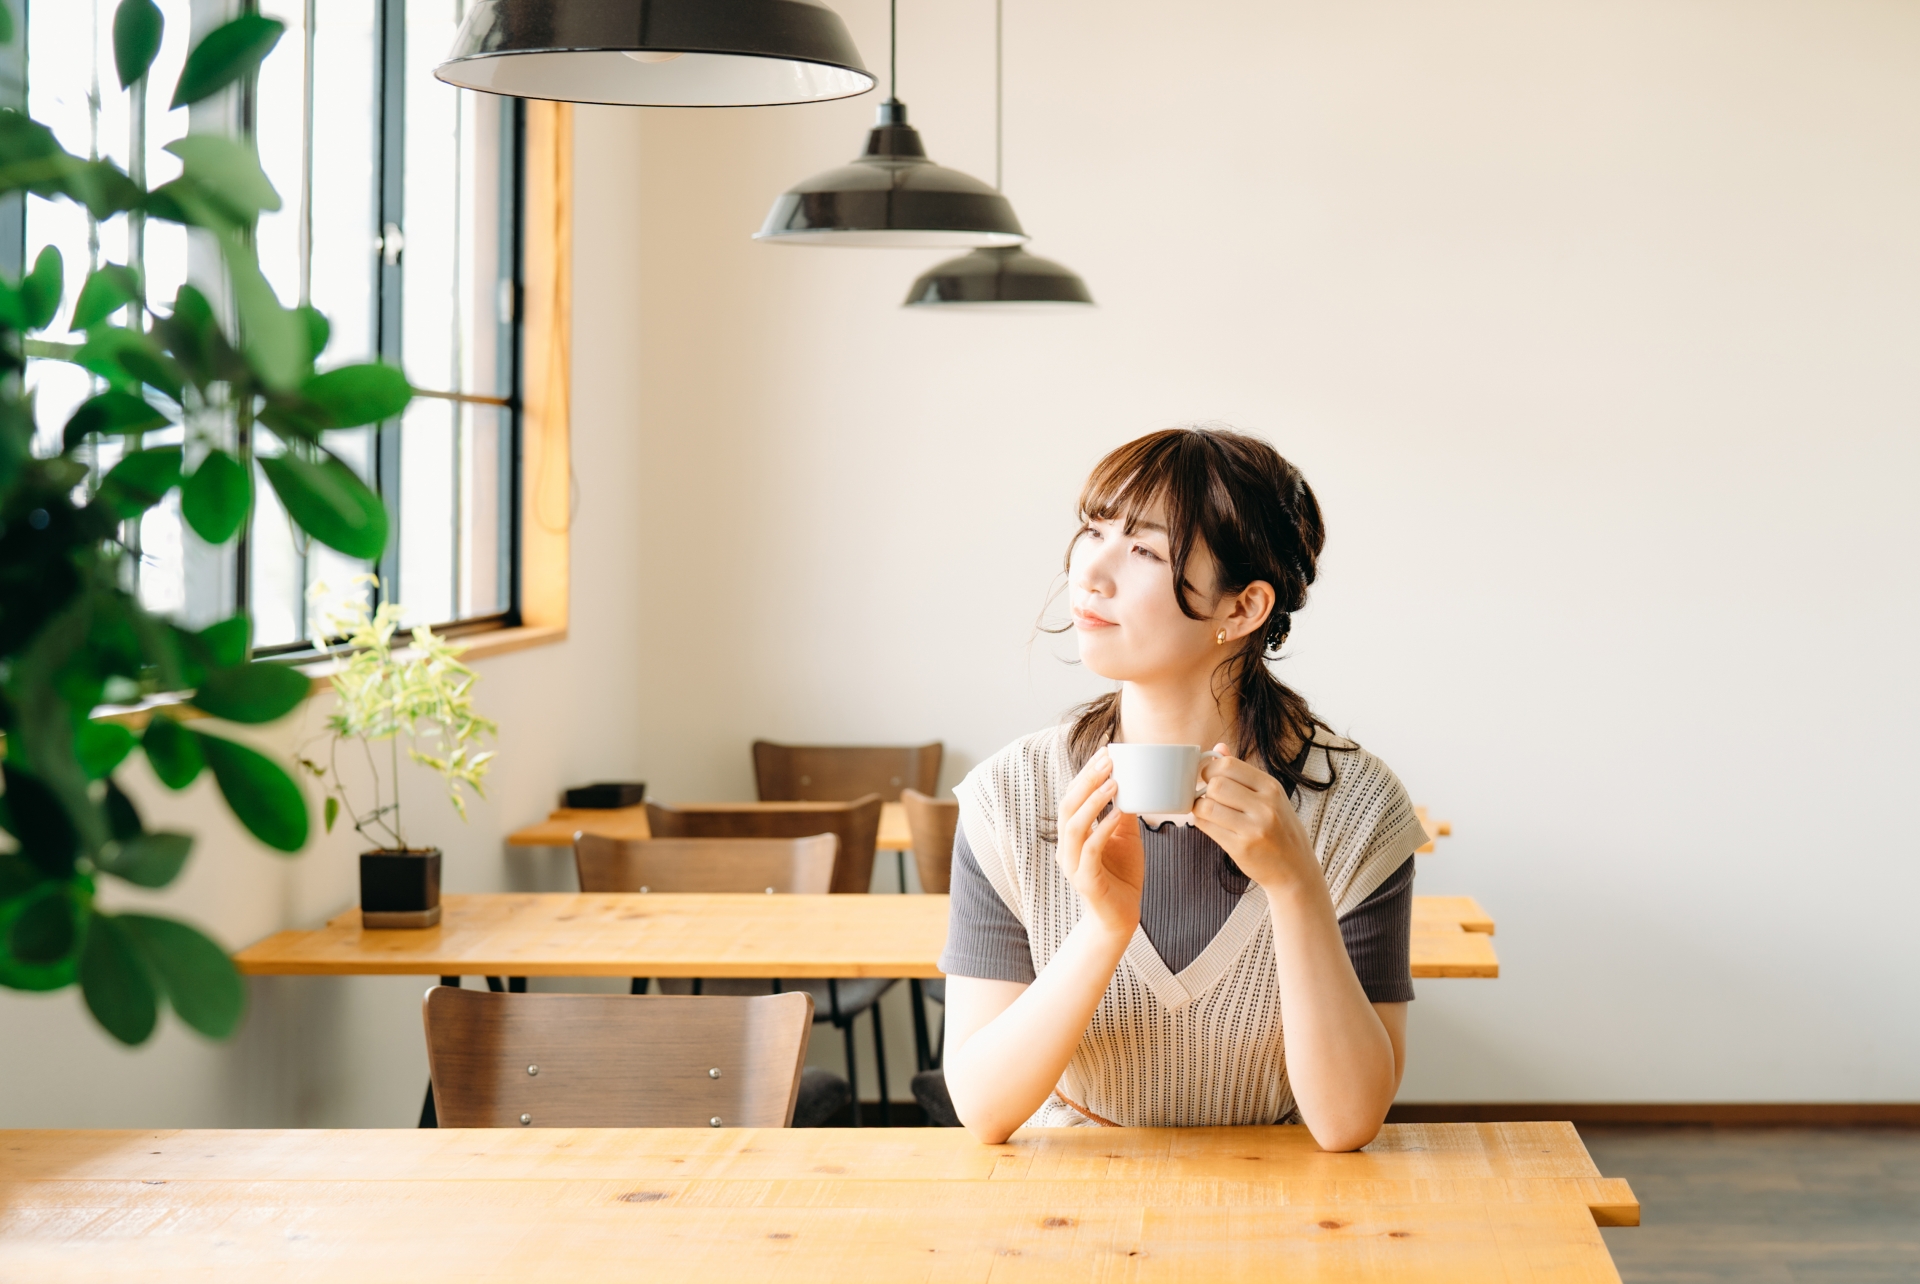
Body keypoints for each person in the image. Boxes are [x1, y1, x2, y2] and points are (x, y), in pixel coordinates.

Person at [938, 425, 1425, 1150]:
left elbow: (1347, 1123)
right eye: (1093, 531)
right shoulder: (1009, 796)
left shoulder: (1355, 806)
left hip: (1290, 1212)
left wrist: (1296, 888)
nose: (1091, 575)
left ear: (1242, 609)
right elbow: (983, 1109)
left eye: (1144, 550)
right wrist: (1104, 927)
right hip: (1064, 1211)